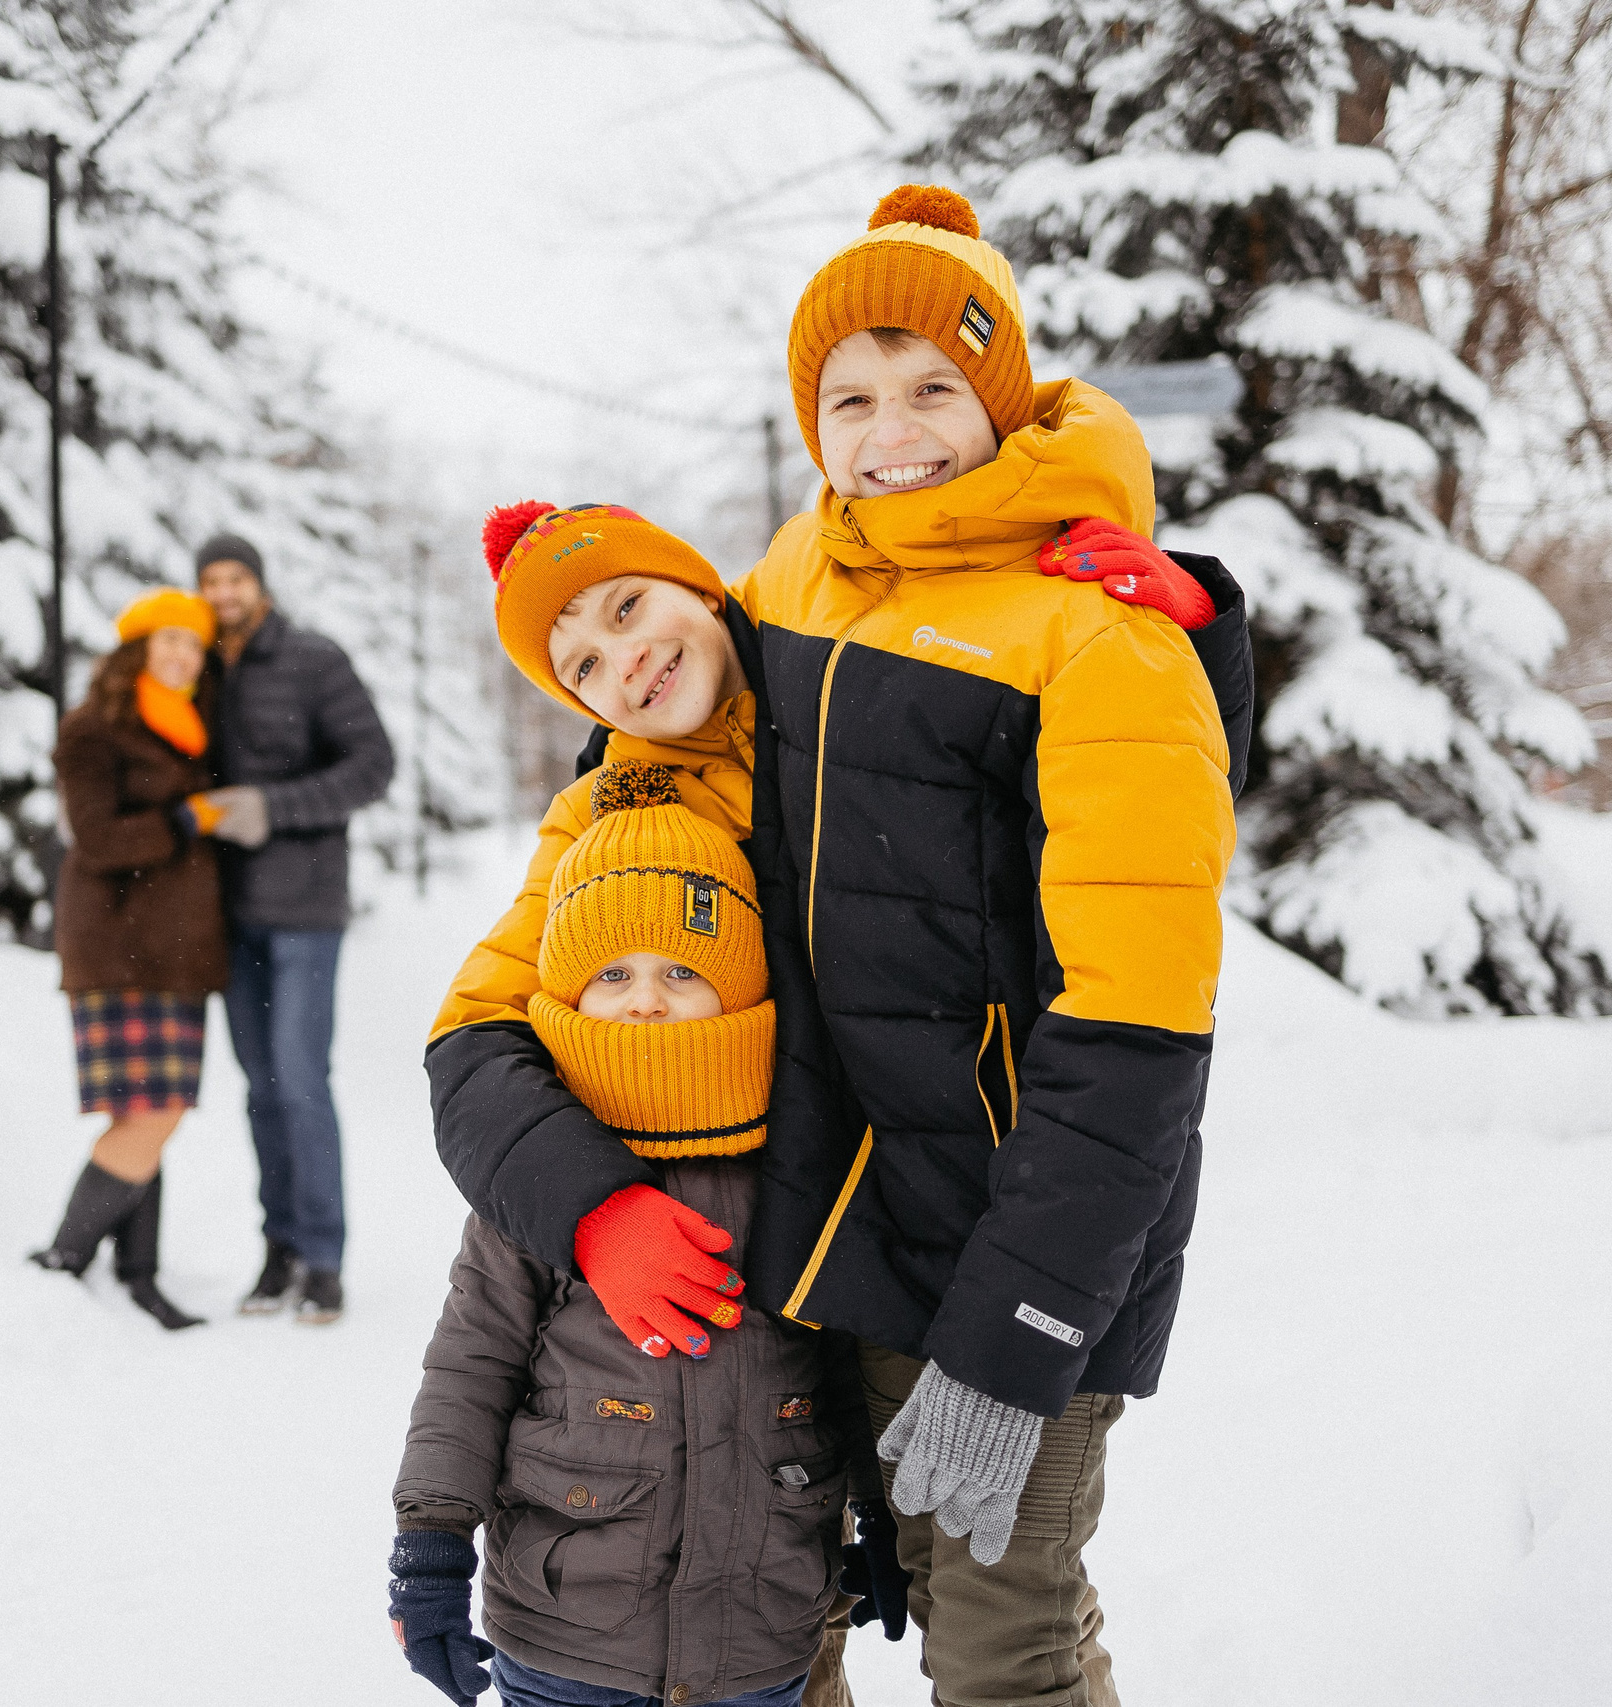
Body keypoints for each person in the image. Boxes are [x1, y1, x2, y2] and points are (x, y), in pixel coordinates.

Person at [428, 183, 1257, 1707]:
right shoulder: (771, 618)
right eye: (850, 394)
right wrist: (593, 1206)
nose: (893, 425)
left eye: (935, 383)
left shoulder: (1093, 620)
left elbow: (1141, 1024)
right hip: (823, 1249)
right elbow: (473, 1032)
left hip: (1019, 1242)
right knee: (782, 1626)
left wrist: (1024, 1325)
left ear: (1000, 393)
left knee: (1005, 1649)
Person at [388, 759, 883, 1707]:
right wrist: (431, 1542)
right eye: (612, 972)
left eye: (681, 969)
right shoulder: (539, 1173)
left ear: (736, 984)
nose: (645, 998)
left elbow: (846, 1361)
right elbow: (471, 1365)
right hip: (567, 1630)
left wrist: (881, 1517)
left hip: (759, 1632)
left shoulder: (791, 1163)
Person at [180, 532, 394, 1326]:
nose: (224, 591)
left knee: (302, 1079)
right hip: (228, 914)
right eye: (210, 579)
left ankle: (326, 1258)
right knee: (260, 1087)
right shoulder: (197, 667)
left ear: (259, 584)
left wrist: (272, 809)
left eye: (235, 576)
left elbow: (373, 764)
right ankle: (280, 1250)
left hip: (304, 910)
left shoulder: (313, 659)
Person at [29, 588, 229, 1332]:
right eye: (167, 640)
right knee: (153, 1112)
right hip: (118, 945)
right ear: (137, 648)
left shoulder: (191, 731)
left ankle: (139, 1275)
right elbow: (98, 838)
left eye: (193, 645)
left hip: (176, 953)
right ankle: (64, 1259)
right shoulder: (96, 729)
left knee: (146, 1113)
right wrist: (185, 820)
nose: (182, 655)